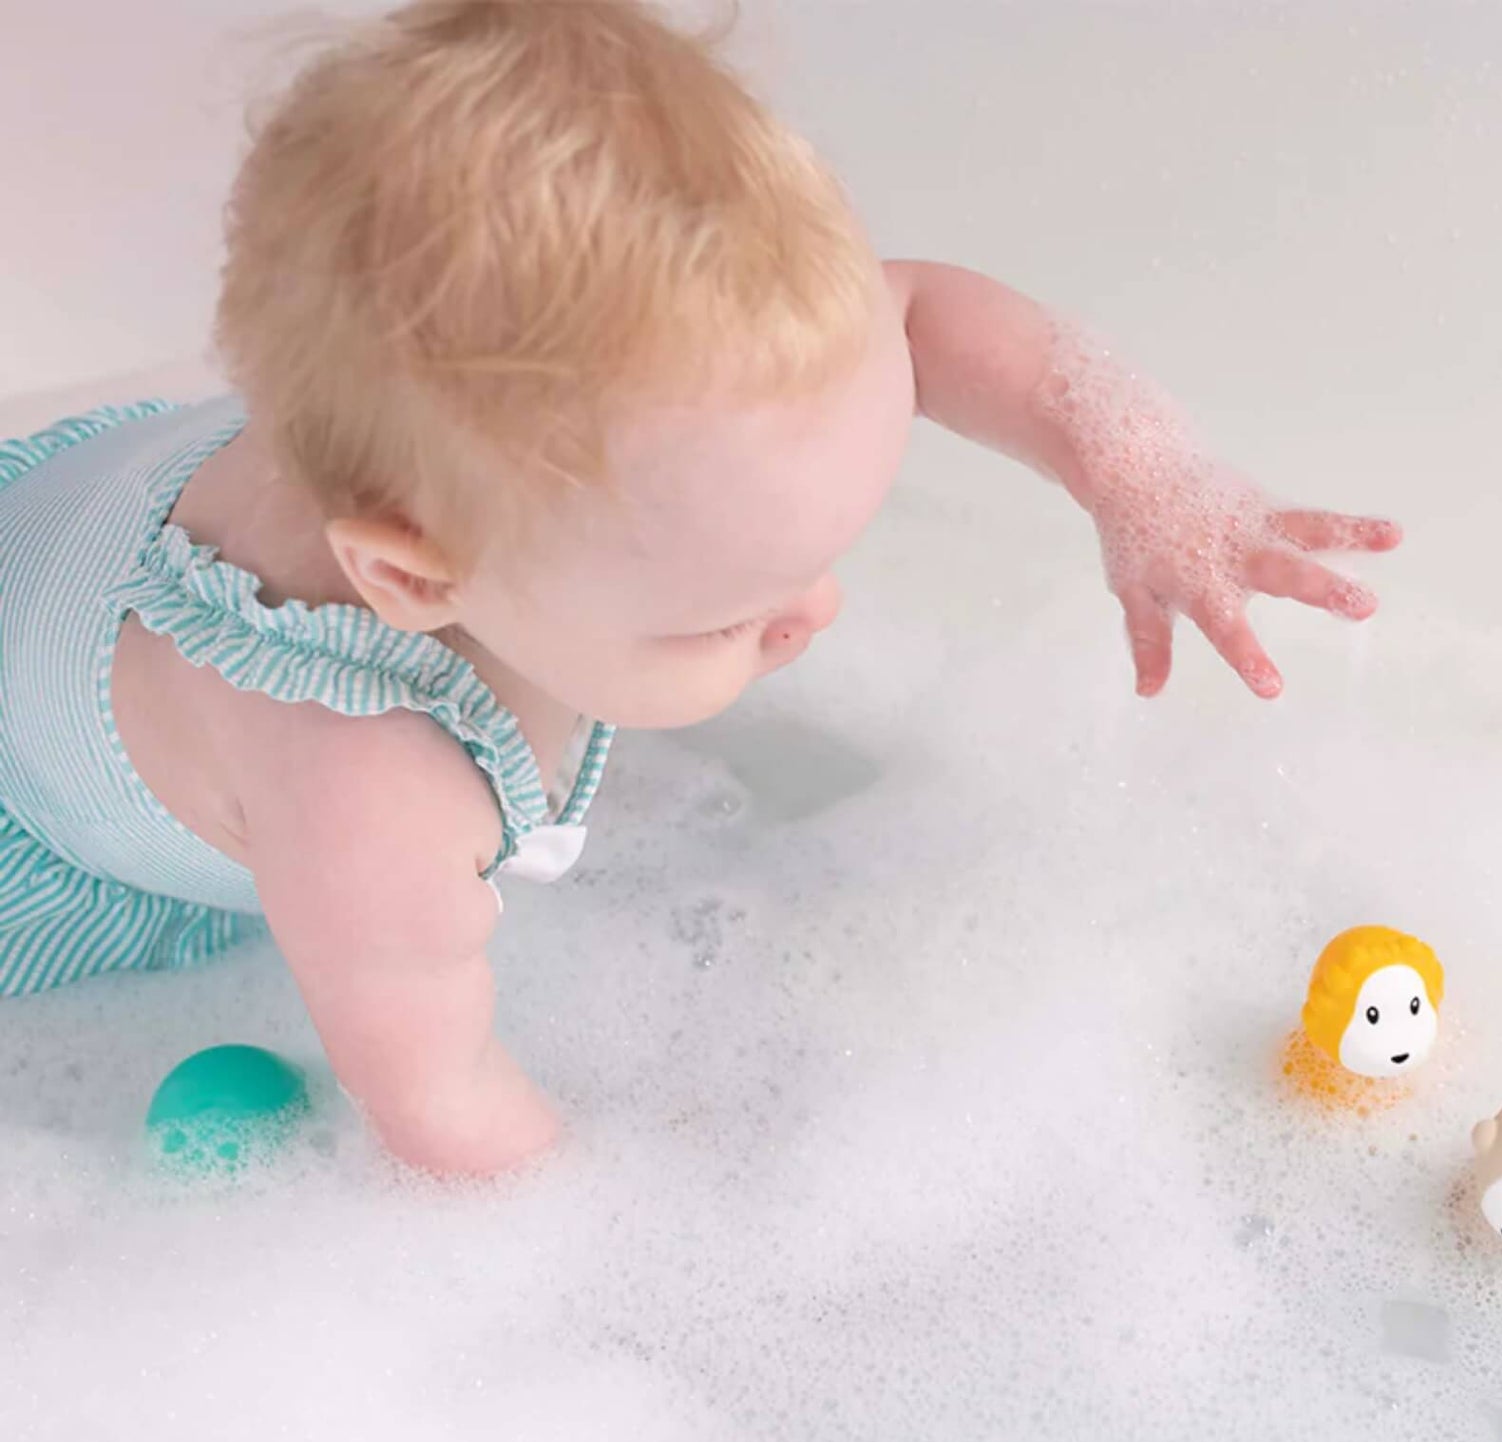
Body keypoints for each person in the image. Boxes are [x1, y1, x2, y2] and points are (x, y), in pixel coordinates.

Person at [0, 0, 1399, 1174]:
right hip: (41, 812)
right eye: (722, 617)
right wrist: (624, 1234)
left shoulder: (508, 469)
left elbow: (921, 317)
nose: (817, 613)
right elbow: (439, 1104)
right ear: (413, 578)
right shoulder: (366, 799)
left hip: (65, 517)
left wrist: (1140, 472)